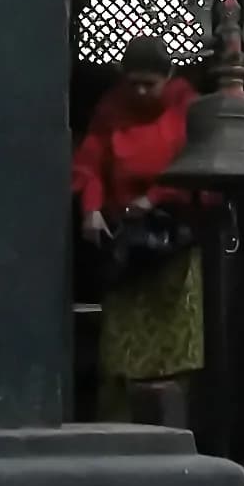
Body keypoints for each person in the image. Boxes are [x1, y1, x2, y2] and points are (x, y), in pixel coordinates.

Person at [71, 35, 202, 422]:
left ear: (168, 77)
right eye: (134, 83)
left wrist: (156, 197)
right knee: (119, 357)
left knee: (176, 354)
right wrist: (91, 208)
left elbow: (199, 167)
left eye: (150, 83)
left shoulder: (188, 108)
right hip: (127, 248)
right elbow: (90, 163)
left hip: (173, 246)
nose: (141, 92)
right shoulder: (111, 108)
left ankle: (173, 428)